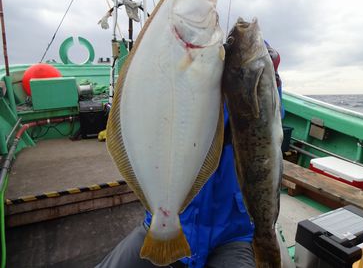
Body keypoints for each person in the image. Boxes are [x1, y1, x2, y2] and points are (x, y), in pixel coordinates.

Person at [96, 42, 283, 268]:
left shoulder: (241, 101)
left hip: (231, 235)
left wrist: (270, 77)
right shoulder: (169, 96)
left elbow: (267, 117)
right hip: (165, 223)